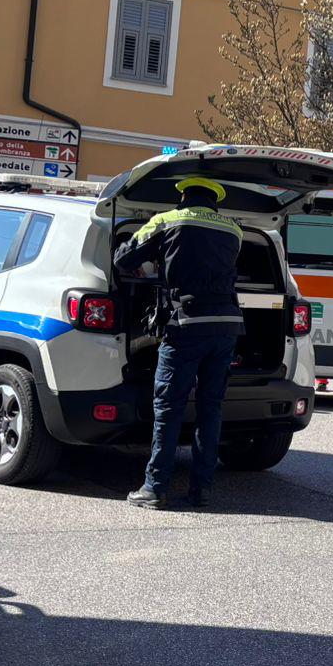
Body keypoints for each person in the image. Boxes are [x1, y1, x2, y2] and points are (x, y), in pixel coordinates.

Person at [114, 176, 245, 508]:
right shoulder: (234, 229)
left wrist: (151, 262)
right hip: (227, 327)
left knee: (169, 408)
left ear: (183, 196)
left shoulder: (167, 221)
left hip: (186, 325)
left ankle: (154, 488)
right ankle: (202, 490)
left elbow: (122, 259)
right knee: (210, 408)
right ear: (214, 199)